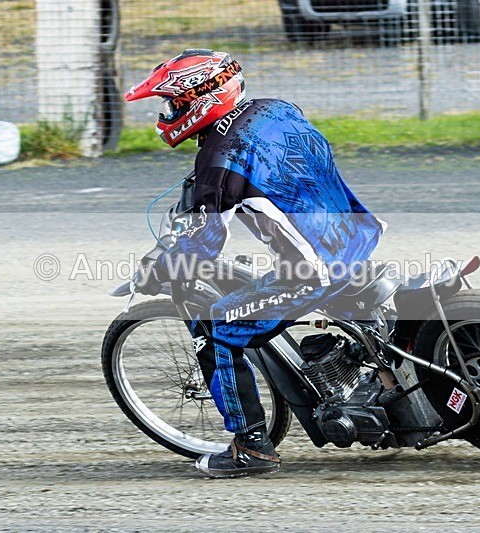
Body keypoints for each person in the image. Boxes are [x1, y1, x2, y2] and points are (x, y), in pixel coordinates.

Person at [124, 49, 384, 478]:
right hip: (358, 234)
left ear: (198, 100)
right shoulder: (276, 109)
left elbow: (203, 246)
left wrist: (161, 271)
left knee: (217, 327)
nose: (169, 114)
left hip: (315, 270)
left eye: (174, 104)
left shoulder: (218, 162)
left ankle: (252, 449)